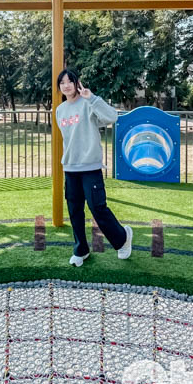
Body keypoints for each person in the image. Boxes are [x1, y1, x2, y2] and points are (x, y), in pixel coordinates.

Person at [55, 69, 133, 267]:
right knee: (74, 211)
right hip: (71, 168)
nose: (66, 85)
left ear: (76, 83)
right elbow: (69, 139)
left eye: (70, 81)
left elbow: (112, 117)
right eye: (62, 82)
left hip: (90, 167)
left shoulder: (88, 103)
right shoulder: (60, 110)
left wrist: (92, 98)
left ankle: (122, 238)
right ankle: (81, 250)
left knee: (97, 208)